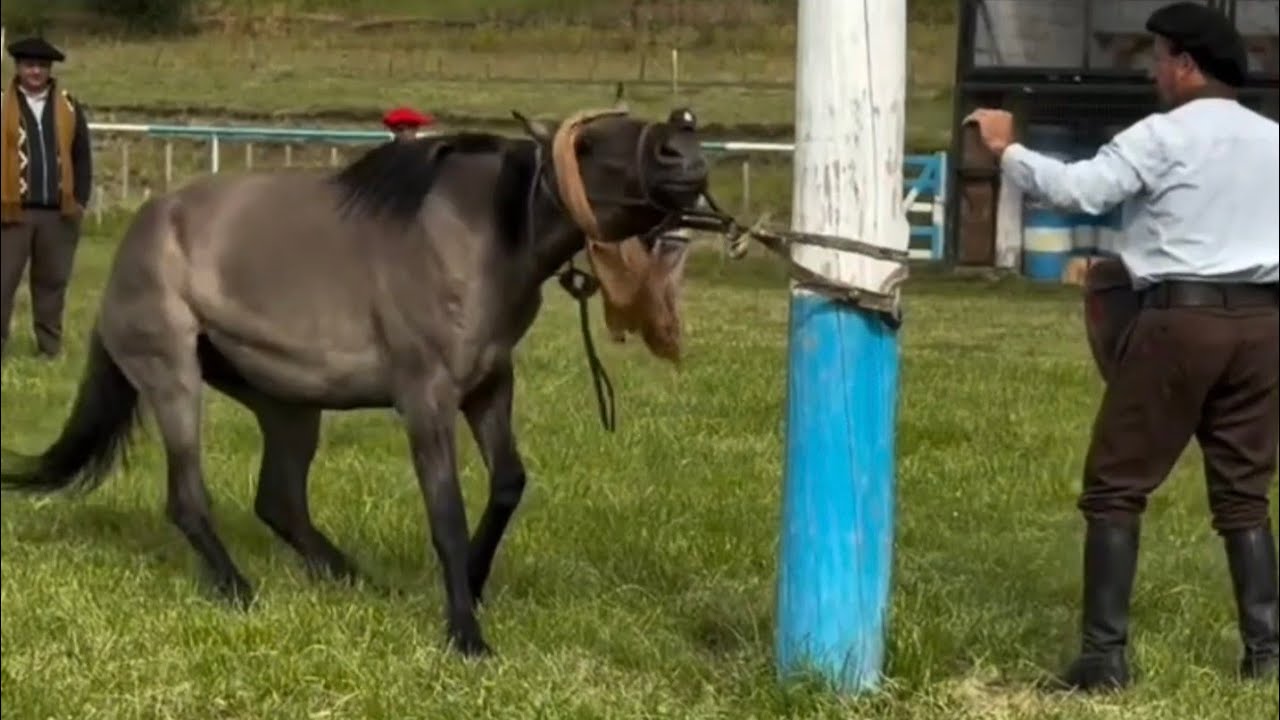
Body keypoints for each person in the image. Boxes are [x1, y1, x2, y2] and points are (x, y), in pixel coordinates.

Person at [966, 1, 1278, 692]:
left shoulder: (1163, 136)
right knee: (1245, 497)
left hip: (1179, 321)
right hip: (1262, 326)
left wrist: (1005, 150)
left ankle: (1104, 659)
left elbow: (1082, 191)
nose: (1155, 72)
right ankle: (1266, 655)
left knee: (1115, 487)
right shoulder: (1274, 140)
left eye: (1161, 58)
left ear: (1187, 66)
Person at [1, 36, 93, 359]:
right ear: (18, 68)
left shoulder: (68, 106)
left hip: (58, 213)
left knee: (52, 285)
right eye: (29, 65)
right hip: (10, 213)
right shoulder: (2, 104)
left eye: (41, 66)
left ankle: (49, 349)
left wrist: (80, 199)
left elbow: (81, 155)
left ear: (50, 69)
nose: (35, 72)